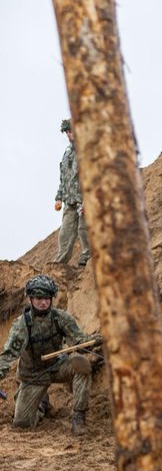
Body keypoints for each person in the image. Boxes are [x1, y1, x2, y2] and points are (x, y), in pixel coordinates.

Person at [0, 275, 94, 435]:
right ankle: (41, 403)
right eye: (38, 298)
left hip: (57, 367)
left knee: (81, 364)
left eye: (47, 298)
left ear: (51, 298)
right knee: (22, 424)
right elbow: (9, 354)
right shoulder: (22, 324)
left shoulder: (61, 317)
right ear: (30, 299)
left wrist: (92, 341)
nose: (43, 302)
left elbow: (78, 339)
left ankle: (79, 417)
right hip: (33, 376)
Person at [54, 119, 90, 267]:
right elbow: (64, 179)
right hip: (69, 201)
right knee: (65, 233)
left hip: (85, 199)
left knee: (84, 230)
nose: (70, 135)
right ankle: (60, 263)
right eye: (68, 132)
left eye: (72, 131)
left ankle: (87, 259)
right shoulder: (67, 153)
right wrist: (58, 197)